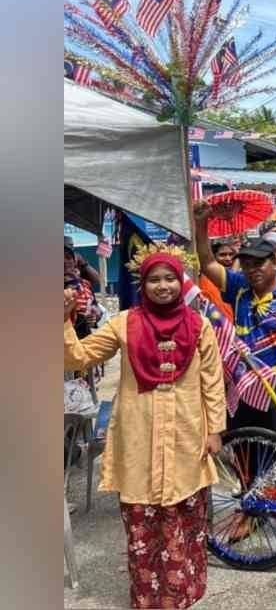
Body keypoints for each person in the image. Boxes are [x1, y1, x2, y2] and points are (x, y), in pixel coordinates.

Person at [63, 246, 226, 609]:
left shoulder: (200, 326)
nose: (163, 286)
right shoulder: (124, 323)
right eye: (155, 279)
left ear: (181, 282)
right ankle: (149, 599)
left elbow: (213, 382)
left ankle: (184, 594)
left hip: (187, 433)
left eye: (170, 278)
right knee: (142, 519)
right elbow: (78, 356)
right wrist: (62, 321)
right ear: (143, 283)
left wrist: (215, 429)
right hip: (138, 436)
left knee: (186, 517)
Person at [194, 202, 276, 435]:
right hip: (243, 385)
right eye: (247, 265)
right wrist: (201, 224)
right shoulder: (239, 288)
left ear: (275, 262)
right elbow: (207, 262)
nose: (253, 270)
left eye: (260, 263)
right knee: (244, 451)